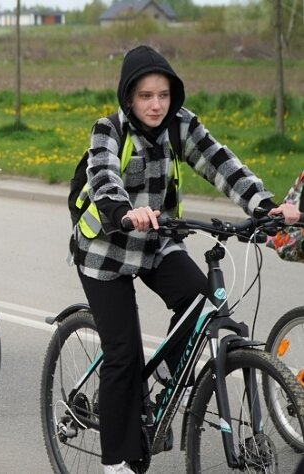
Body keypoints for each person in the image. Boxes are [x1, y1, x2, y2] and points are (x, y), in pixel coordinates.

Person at [71, 45, 301, 474]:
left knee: (205, 303)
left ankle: (164, 385)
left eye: (163, 94)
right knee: (123, 352)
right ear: (128, 99)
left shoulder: (181, 125)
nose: (156, 104)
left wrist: (264, 205)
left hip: (157, 242)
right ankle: (115, 462)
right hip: (106, 251)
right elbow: (103, 178)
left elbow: (221, 163)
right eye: (145, 96)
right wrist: (124, 212)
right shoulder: (108, 130)